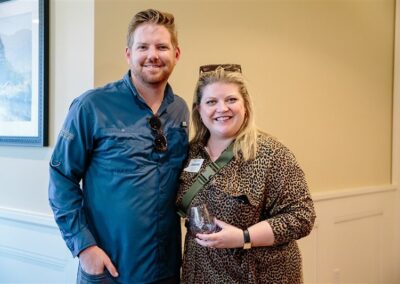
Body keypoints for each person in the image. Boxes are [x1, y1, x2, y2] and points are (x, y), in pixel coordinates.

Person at [48, 9, 189, 284]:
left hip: (167, 268)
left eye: (162, 47)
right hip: (109, 270)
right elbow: (61, 177)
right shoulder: (91, 106)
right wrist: (84, 248)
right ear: (128, 54)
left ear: (176, 54)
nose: (153, 55)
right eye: (143, 47)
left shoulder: (181, 110)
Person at [176, 64, 316, 283]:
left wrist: (244, 237)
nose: (222, 108)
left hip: (258, 275)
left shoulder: (272, 154)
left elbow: (302, 216)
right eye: (211, 101)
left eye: (231, 100)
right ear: (199, 109)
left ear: (246, 106)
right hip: (200, 274)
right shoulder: (189, 153)